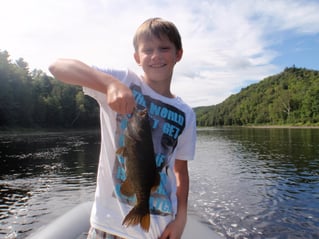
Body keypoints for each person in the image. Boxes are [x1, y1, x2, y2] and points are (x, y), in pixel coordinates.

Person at [49, 17, 196, 239]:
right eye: (148, 50)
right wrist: (108, 84)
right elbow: (57, 67)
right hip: (108, 225)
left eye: (164, 48)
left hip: (157, 230)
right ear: (137, 57)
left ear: (178, 54)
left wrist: (181, 218)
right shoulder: (123, 80)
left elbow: (180, 171)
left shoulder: (186, 113)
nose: (155, 56)